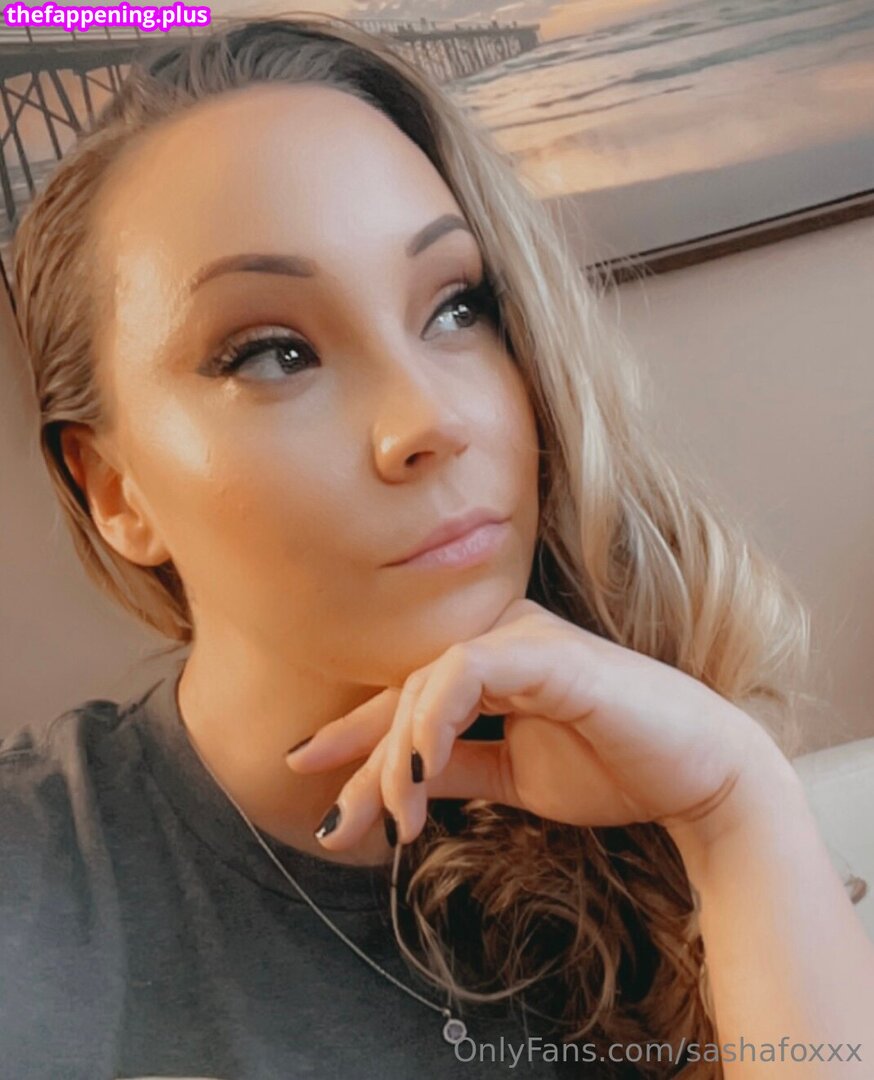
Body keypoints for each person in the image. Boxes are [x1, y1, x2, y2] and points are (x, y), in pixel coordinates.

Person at [2, 14, 871, 1080]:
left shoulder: (657, 786)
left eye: (458, 307)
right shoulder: (35, 903)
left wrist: (733, 813)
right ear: (114, 489)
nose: (429, 420)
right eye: (271, 353)